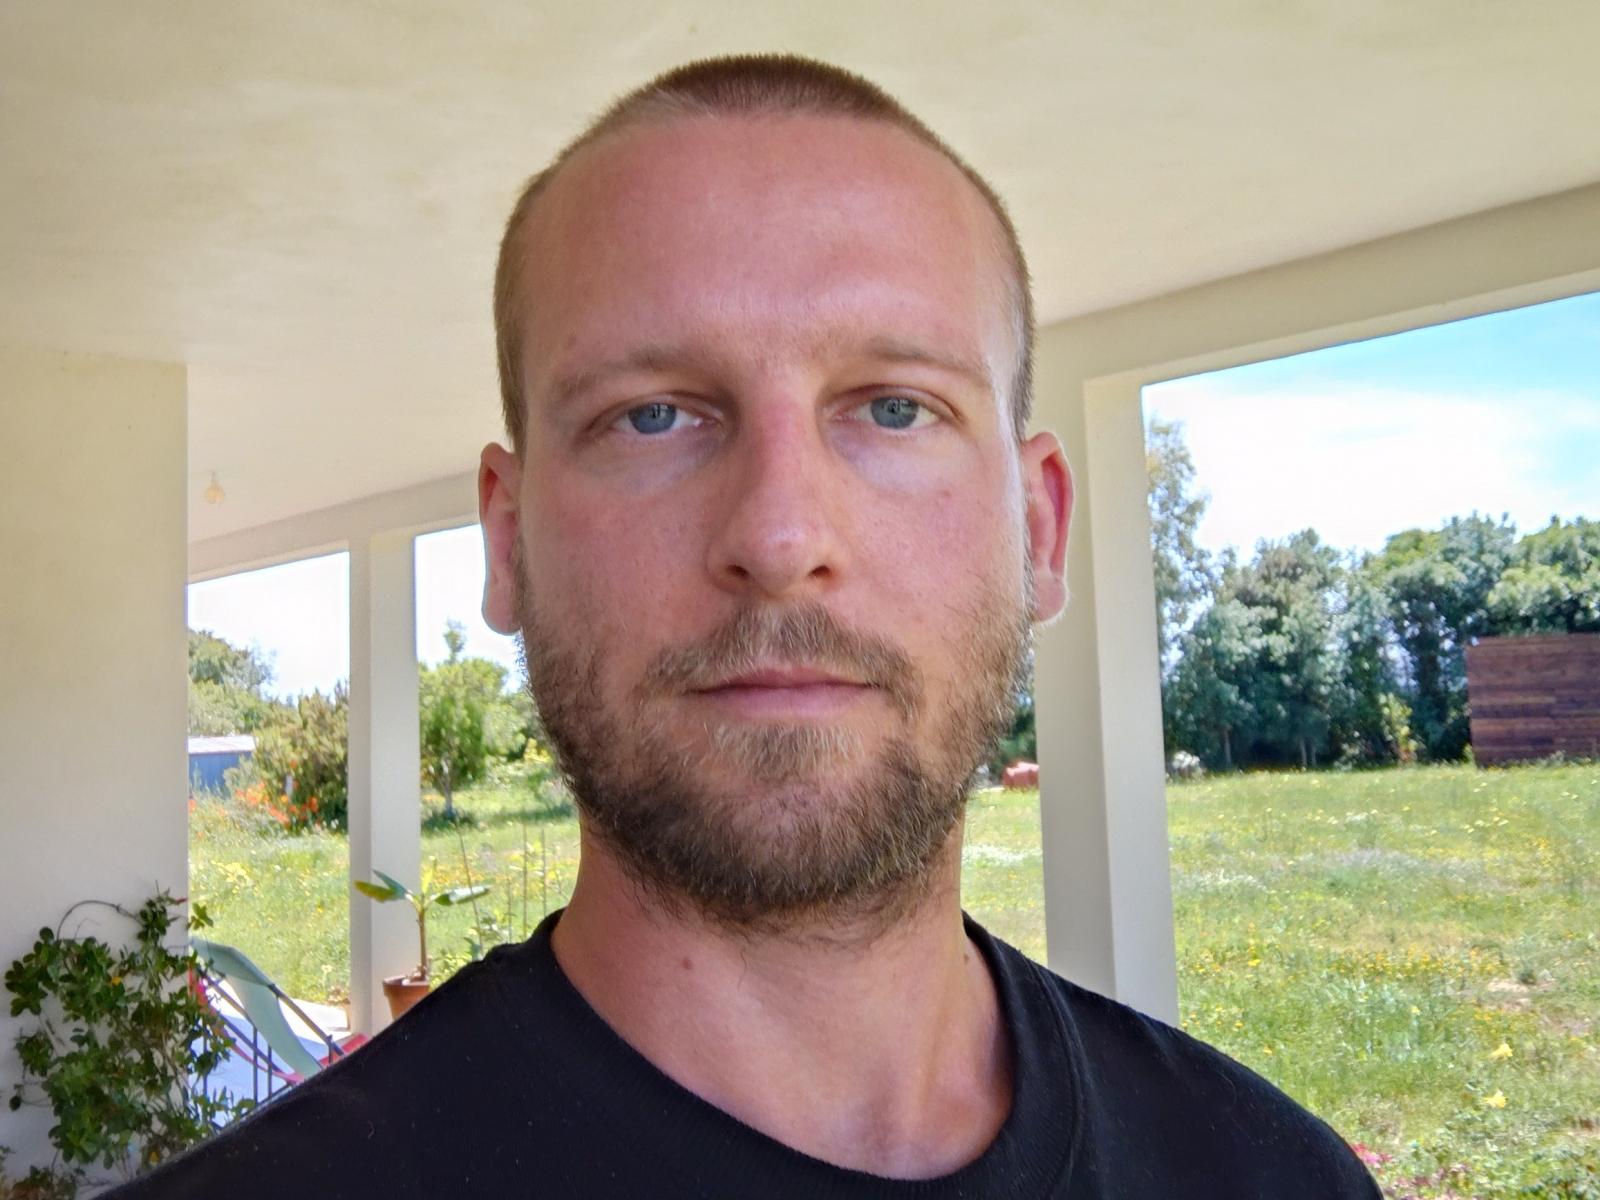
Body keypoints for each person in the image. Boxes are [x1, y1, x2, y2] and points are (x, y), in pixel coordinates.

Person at [117, 54, 1379, 1198]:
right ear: (507, 542)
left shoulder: (1277, 1181)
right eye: (654, 415)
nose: (779, 539)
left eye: (892, 409)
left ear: (1039, 530)